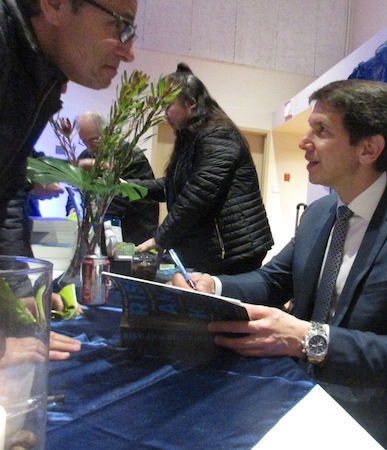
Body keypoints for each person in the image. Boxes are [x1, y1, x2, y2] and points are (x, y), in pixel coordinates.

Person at [174, 79, 387, 449]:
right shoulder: (319, 213)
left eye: (322, 130)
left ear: (368, 149)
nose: (304, 141)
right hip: (297, 388)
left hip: (371, 419)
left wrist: (307, 338)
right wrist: (211, 285)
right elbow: (272, 282)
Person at [1, 0, 138, 359]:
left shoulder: (36, 69)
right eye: (119, 25)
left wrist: (16, 290)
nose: (129, 52)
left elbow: (7, 189)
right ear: (55, 5)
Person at [135, 63, 274, 274]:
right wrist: (129, 188)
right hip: (219, 250)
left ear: (190, 103)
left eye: (167, 107)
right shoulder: (193, 135)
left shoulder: (218, 134)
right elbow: (173, 187)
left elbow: (198, 194)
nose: (165, 115)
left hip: (234, 250)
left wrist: (160, 238)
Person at [66, 111, 159, 245]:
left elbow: (141, 195)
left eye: (93, 140)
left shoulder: (131, 156)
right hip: (96, 233)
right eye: (84, 141)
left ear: (108, 132)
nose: (89, 146)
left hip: (132, 232)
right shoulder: (85, 156)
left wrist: (96, 207)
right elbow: (75, 189)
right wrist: (73, 208)